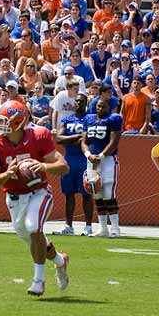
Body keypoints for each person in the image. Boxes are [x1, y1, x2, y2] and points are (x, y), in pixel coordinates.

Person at [0, 100, 69, 296]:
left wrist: (44, 166)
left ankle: (38, 281)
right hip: (14, 198)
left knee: (33, 227)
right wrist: (6, 175)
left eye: (4, 120)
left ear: (18, 122)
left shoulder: (38, 135)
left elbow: (64, 166)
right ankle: (60, 261)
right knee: (32, 238)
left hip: (39, 192)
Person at [82, 98, 122, 237]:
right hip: (92, 160)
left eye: (103, 106)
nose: (100, 109)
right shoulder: (89, 119)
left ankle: (115, 228)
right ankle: (103, 228)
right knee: (96, 192)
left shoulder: (114, 119)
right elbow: (84, 141)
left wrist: (102, 156)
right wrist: (88, 154)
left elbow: (114, 140)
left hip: (108, 160)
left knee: (108, 194)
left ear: (109, 107)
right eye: (98, 106)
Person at [54, 93, 93, 236]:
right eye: (76, 101)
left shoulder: (91, 118)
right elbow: (59, 138)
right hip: (69, 159)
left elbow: (89, 138)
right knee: (68, 194)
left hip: (84, 160)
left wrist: (69, 139)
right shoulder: (67, 119)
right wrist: (78, 137)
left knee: (87, 194)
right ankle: (68, 225)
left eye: (81, 101)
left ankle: (88, 226)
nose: (78, 103)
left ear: (86, 103)